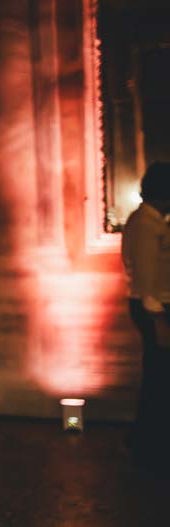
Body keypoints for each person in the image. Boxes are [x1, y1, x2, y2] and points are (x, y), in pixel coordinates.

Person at [121, 161, 170, 472]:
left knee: (159, 374)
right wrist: (159, 319)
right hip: (155, 308)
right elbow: (147, 277)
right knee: (158, 375)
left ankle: (149, 439)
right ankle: (149, 442)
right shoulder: (145, 224)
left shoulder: (153, 221)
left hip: (156, 306)